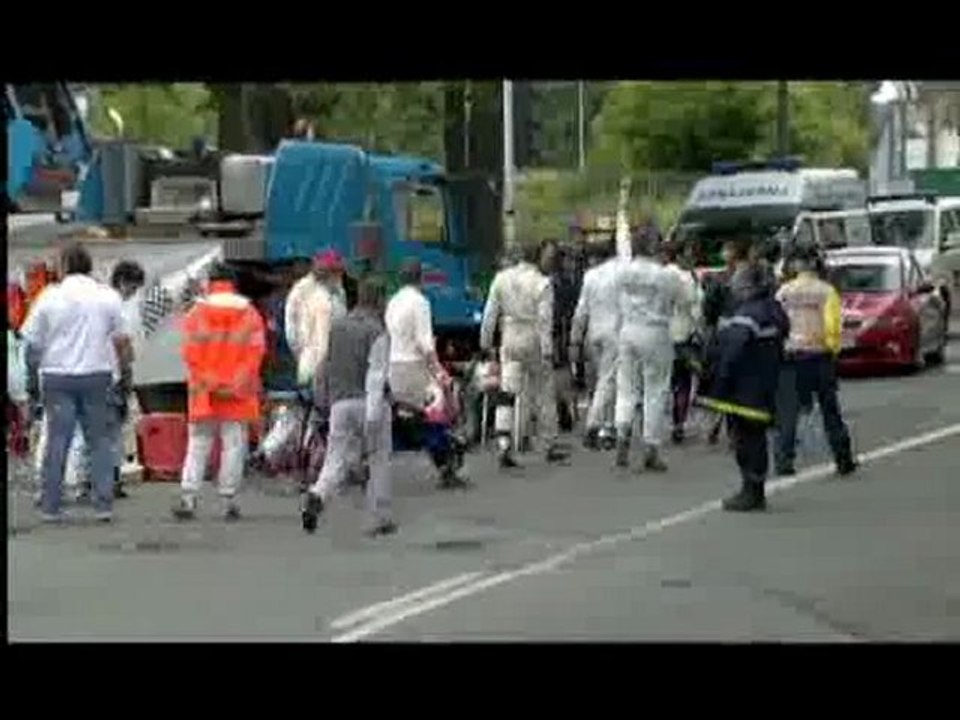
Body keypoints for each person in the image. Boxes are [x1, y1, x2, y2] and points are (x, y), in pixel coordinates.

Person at [21, 243, 133, 523]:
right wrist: (124, 373)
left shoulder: (50, 296)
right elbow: (122, 342)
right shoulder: (107, 296)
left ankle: (51, 506)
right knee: (99, 441)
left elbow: (32, 343)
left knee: (58, 441)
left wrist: (32, 380)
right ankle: (103, 504)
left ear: (64, 266)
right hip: (97, 375)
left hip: (57, 376)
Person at [302, 278, 395, 536]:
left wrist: (322, 400)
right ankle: (379, 516)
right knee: (378, 459)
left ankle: (318, 493)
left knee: (335, 459)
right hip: (368, 402)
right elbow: (376, 374)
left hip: (339, 404)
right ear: (379, 301)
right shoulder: (377, 331)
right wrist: (376, 413)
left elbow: (324, 366)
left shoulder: (337, 328)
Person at [173, 264, 267, 521]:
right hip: (238, 393)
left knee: (198, 444)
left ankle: (188, 498)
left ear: (211, 283)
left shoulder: (197, 313)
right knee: (234, 446)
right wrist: (235, 383)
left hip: (204, 392)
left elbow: (190, 353)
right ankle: (228, 500)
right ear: (233, 283)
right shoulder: (250, 315)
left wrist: (210, 382)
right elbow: (256, 353)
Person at [697, 263, 791, 511]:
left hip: (745, 388)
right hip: (766, 383)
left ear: (748, 286)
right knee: (756, 437)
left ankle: (751, 490)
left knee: (746, 440)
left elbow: (731, 352)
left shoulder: (747, 316)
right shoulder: (774, 309)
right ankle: (755, 489)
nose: (733, 288)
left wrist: (717, 381)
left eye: (737, 283)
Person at [480, 243, 569, 469]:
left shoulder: (501, 278)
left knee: (507, 391)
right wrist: (548, 351)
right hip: (533, 339)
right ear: (537, 259)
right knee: (543, 390)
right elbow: (544, 320)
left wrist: (485, 342)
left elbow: (490, 313)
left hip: (510, 336)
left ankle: (504, 442)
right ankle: (549, 442)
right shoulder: (542, 283)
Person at [774, 244, 858, 478]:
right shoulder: (826, 291)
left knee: (788, 411)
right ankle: (843, 458)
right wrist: (832, 347)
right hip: (820, 356)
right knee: (830, 410)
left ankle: (784, 461)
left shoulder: (784, 292)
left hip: (791, 355)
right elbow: (833, 326)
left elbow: (777, 321)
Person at [385, 258, 467, 488]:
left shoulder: (393, 301)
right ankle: (445, 466)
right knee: (433, 417)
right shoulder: (420, 302)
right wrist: (440, 372)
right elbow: (425, 344)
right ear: (420, 278)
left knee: (403, 417)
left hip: (393, 366)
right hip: (414, 367)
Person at [613, 228, 689, 471]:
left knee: (626, 387)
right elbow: (683, 301)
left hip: (628, 330)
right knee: (655, 390)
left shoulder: (623, 272)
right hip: (656, 331)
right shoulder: (666, 276)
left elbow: (615, 296)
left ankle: (622, 433)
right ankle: (650, 448)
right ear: (653, 248)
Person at [570, 236, 620, 450]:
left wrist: (575, 337)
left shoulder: (589, 276)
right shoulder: (620, 273)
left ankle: (607, 427)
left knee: (604, 381)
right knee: (608, 382)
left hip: (594, 334)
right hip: (615, 333)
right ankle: (595, 424)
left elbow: (581, 310)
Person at [284, 249, 348, 389]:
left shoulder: (338, 291)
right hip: (312, 362)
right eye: (337, 271)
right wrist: (303, 354)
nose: (340, 276)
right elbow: (291, 331)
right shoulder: (301, 290)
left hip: (335, 363)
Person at [663, 240, 704, 444]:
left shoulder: (671, 274)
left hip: (671, 335)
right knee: (682, 381)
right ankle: (677, 422)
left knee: (676, 382)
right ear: (678, 256)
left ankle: (675, 422)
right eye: (688, 255)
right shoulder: (683, 277)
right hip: (682, 336)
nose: (691, 259)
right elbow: (692, 307)